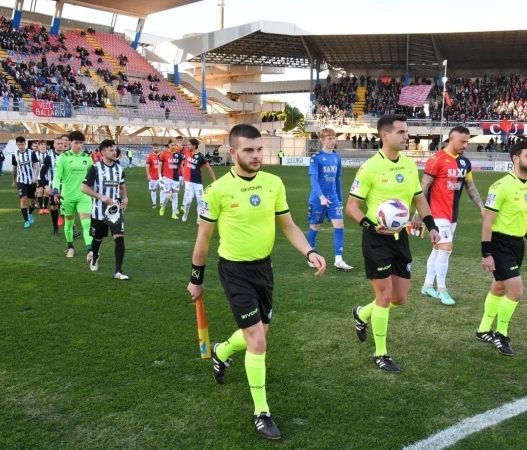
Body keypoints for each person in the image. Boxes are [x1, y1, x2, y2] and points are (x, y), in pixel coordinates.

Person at [187, 124, 326, 440]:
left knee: (258, 333)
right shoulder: (217, 191)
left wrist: (309, 251)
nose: (256, 155)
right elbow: (203, 240)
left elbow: (288, 225)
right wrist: (196, 279)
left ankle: (222, 351)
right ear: (232, 153)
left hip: (265, 270)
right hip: (234, 272)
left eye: (259, 149)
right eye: (249, 150)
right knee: (258, 342)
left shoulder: (273, 183)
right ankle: (261, 412)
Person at [346, 114, 440, 373]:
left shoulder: (410, 166)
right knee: (384, 297)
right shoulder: (369, 168)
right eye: (401, 132)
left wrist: (431, 226)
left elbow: (419, 199)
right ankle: (381, 353)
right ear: (385, 135)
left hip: (402, 239)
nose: (406, 136)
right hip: (376, 239)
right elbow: (351, 207)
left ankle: (361, 314)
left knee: (399, 298)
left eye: (406, 131)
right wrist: (369, 225)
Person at [478, 140, 527, 356]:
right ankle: (501, 333)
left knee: (499, 288)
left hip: (518, 245)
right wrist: (486, 253)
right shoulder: (500, 186)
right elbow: (487, 222)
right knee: (516, 292)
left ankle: (483, 330)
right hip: (499, 244)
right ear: (515, 159)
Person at [417, 126, 484, 306]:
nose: (465, 144)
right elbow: (423, 187)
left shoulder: (465, 163)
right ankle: (442, 290)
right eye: (462, 141)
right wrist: (418, 213)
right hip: (436, 213)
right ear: (451, 139)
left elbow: (470, 187)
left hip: (452, 214)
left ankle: (427, 286)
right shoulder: (436, 159)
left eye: (467, 141)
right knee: (446, 249)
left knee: (438, 250)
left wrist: (481, 207)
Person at [81, 139, 130, 280]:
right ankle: (95, 256)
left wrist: (125, 198)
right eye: (110, 150)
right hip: (98, 211)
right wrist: (100, 196)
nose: (114, 152)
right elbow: (84, 188)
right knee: (97, 239)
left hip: (115, 210)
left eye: (115, 150)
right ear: (102, 152)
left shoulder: (119, 169)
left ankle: (118, 271)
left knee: (119, 238)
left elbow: (122, 186)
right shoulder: (95, 168)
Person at [306, 128, 353, 271]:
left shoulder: (337, 157)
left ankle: (338, 260)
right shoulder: (316, 158)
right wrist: (321, 197)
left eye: (334, 138)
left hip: (333, 198)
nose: (332, 141)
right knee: (315, 226)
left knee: (339, 224)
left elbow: (338, 179)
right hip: (318, 198)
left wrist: (340, 197)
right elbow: (314, 180)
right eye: (329, 139)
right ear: (322, 140)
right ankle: (310, 255)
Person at [49, 131, 93, 258]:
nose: (79, 145)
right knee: (69, 223)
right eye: (76, 143)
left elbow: (93, 176)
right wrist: (55, 191)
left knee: (86, 224)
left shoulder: (87, 157)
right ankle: (70, 247)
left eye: (81, 143)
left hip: (84, 196)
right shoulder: (63, 157)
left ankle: (89, 250)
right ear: (70, 143)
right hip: (67, 196)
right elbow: (57, 176)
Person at [181, 138, 216, 223]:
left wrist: (214, 180)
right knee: (188, 200)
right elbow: (178, 145)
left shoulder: (201, 157)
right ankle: (186, 213)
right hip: (188, 181)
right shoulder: (186, 151)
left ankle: (199, 218)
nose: (187, 146)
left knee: (200, 200)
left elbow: (208, 167)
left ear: (194, 146)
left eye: (189, 144)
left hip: (198, 182)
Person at [11, 136, 40, 228]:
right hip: (21, 180)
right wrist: (14, 181)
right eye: (19, 144)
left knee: (32, 202)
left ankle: (30, 213)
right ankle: (26, 221)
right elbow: (15, 168)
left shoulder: (31, 153)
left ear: (25, 144)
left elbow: (36, 166)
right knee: (23, 199)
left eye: (22, 144)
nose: (20, 146)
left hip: (31, 180)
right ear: (16, 145)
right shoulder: (14, 154)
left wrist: (35, 177)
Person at [39, 136, 66, 235]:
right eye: (58, 143)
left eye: (61, 144)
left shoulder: (68, 156)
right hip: (53, 187)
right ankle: (55, 229)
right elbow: (42, 173)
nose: (60, 145)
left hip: (67, 187)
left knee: (67, 207)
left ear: (64, 145)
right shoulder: (49, 156)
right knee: (54, 207)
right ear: (54, 145)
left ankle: (70, 229)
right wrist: (46, 186)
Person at [157, 143, 184, 219]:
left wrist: (183, 177)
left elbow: (181, 166)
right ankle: (163, 207)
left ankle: (174, 213)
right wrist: (159, 176)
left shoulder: (179, 155)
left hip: (176, 178)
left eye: (174, 145)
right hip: (166, 178)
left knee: (175, 195)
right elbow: (160, 165)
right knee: (167, 195)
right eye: (172, 145)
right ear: (169, 146)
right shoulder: (164, 154)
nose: (173, 146)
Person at [34, 140, 51, 215]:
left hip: (48, 176)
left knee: (47, 192)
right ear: (39, 145)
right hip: (39, 177)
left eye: (45, 144)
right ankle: (41, 208)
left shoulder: (50, 154)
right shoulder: (35, 154)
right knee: (40, 191)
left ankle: (45, 208)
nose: (44, 146)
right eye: (42, 144)